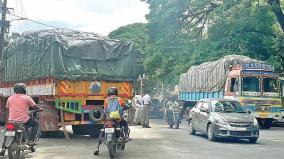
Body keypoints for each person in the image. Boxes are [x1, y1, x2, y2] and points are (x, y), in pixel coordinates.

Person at [0, 83, 42, 157]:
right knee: (36, 123)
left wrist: (8, 119)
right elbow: (35, 107)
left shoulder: (10, 98)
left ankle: (3, 149)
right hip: (23, 120)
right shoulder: (27, 98)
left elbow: (7, 109)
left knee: (7, 133)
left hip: (11, 121)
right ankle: (31, 140)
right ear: (24, 90)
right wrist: (40, 109)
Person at [94, 87, 130, 156]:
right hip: (117, 118)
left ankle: (97, 148)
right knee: (125, 123)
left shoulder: (106, 100)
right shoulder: (119, 99)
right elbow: (126, 105)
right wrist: (128, 106)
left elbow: (105, 109)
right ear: (116, 92)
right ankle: (126, 136)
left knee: (103, 130)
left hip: (109, 118)